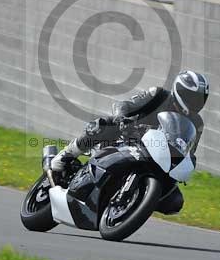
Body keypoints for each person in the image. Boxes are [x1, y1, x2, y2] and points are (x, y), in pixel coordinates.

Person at [50, 70, 210, 213]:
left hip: (159, 158)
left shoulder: (197, 123)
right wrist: (122, 118)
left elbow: (190, 150)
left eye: (200, 98)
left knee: (175, 202)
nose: (195, 102)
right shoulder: (159, 95)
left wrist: (189, 161)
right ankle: (65, 156)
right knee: (103, 126)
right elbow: (125, 105)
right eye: (191, 97)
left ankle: (137, 200)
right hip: (129, 137)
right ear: (179, 90)